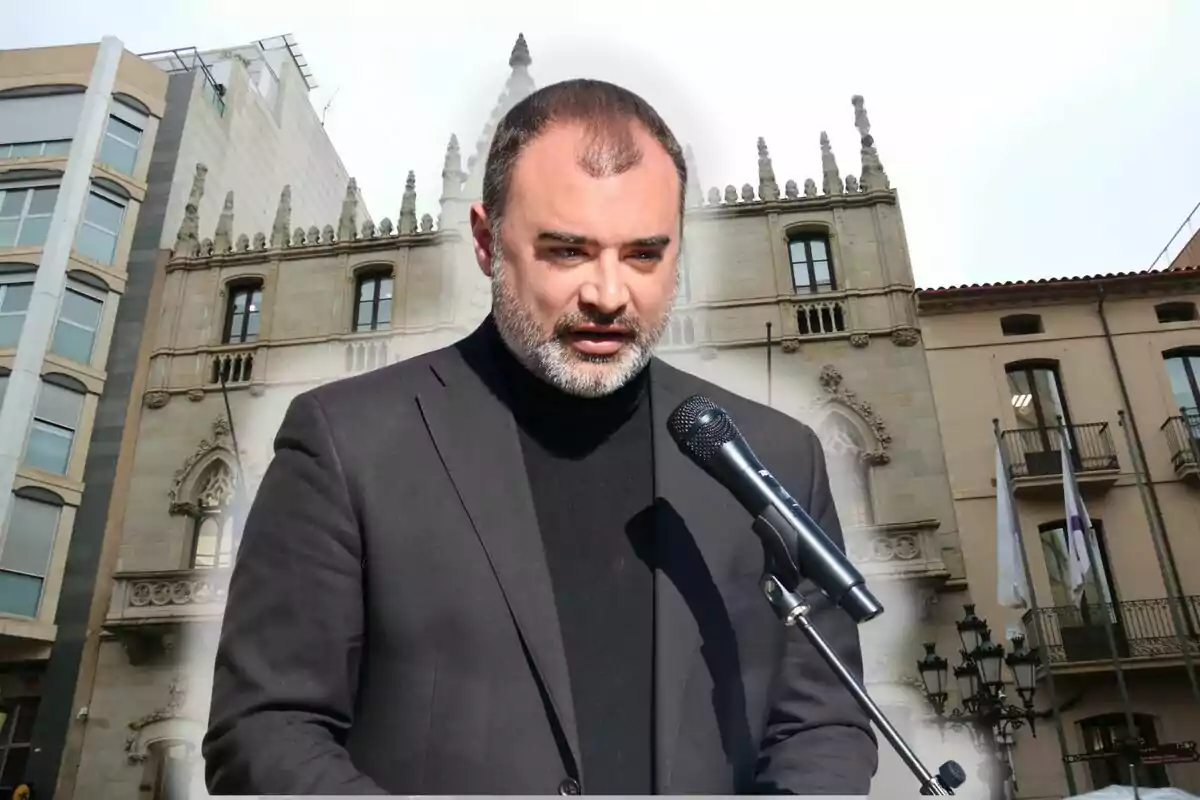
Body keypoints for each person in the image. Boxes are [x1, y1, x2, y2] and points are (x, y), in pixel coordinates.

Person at [203, 78, 879, 795]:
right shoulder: (346, 444)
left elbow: (823, 723)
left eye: (645, 255)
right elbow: (265, 731)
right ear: (487, 241)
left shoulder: (775, 455)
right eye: (567, 252)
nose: (610, 295)